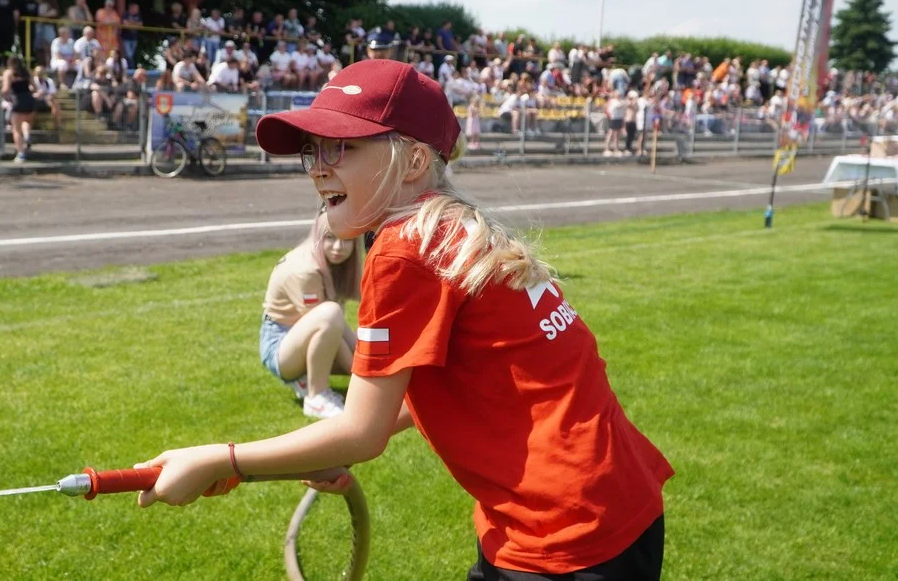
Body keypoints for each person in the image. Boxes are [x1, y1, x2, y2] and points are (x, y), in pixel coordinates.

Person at [134, 59, 673, 581]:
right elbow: (452, 384)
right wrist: (327, 448)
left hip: (563, 535)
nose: (319, 166)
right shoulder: (457, 231)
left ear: (413, 162)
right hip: (603, 505)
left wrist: (220, 460)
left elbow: (362, 432)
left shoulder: (405, 249)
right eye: (311, 150)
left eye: (340, 147)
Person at [259, 211, 363, 418]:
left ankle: (307, 377)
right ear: (318, 235)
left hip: (302, 337)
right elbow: (330, 327)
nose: (338, 247)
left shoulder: (332, 262)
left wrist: (364, 355)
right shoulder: (306, 270)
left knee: (365, 342)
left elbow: (338, 329)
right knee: (330, 315)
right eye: (330, 238)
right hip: (279, 347)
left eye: (347, 240)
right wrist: (359, 369)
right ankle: (317, 396)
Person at [2, 57, 36, 162]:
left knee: (16, 129)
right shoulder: (27, 72)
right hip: (29, 100)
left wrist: (0, 94)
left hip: (18, 100)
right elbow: (34, 88)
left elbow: (6, 89)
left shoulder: (9, 73)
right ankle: (27, 136)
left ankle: (21, 154)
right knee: (26, 120)